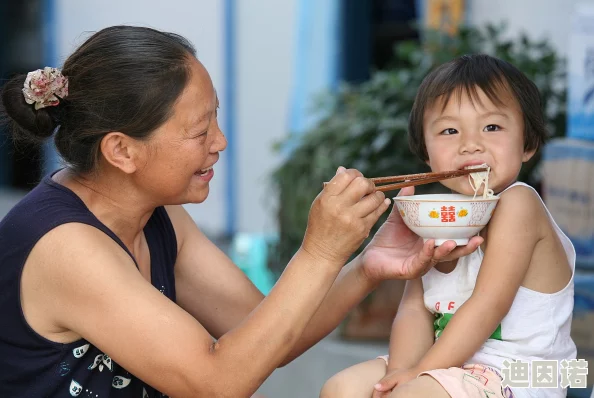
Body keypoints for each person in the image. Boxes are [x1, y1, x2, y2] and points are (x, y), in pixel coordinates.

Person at [0, 26, 482, 398]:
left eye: (216, 120)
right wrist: (317, 251)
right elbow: (218, 382)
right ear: (122, 151)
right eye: (199, 131)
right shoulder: (67, 247)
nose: (220, 143)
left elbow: (263, 335)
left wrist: (365, 266)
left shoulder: (156, 216)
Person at [321, 54, 577, 398]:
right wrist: (400, 370)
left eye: (492, 127)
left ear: (527, 143)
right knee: (341, 389)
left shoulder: (519, 204)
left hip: (526, 370)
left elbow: (488, 303)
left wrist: (418, 374)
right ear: (427, 154)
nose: (470, 143)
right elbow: (414, 308)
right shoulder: (436, 214)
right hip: (451, 364)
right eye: (449, 130)